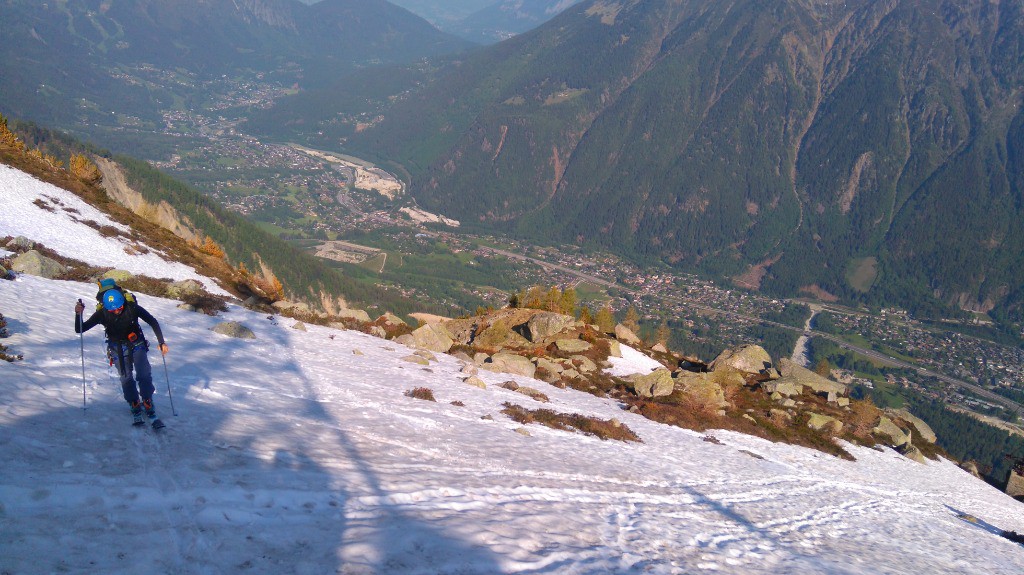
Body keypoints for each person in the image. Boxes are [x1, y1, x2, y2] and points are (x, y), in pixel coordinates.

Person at [75, 282, 169, 424]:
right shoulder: (103, 313)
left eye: (119, 308)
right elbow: (80, 329)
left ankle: (147, 400)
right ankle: (134, 402)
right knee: (126, 378)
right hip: (117, 348)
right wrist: (78, 315)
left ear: (122, 303)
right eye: (113, 310)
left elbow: (152, 321)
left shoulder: (132, 308)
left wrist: (161, 342)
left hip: (137, 344)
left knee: (144, 374)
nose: (116, 311)